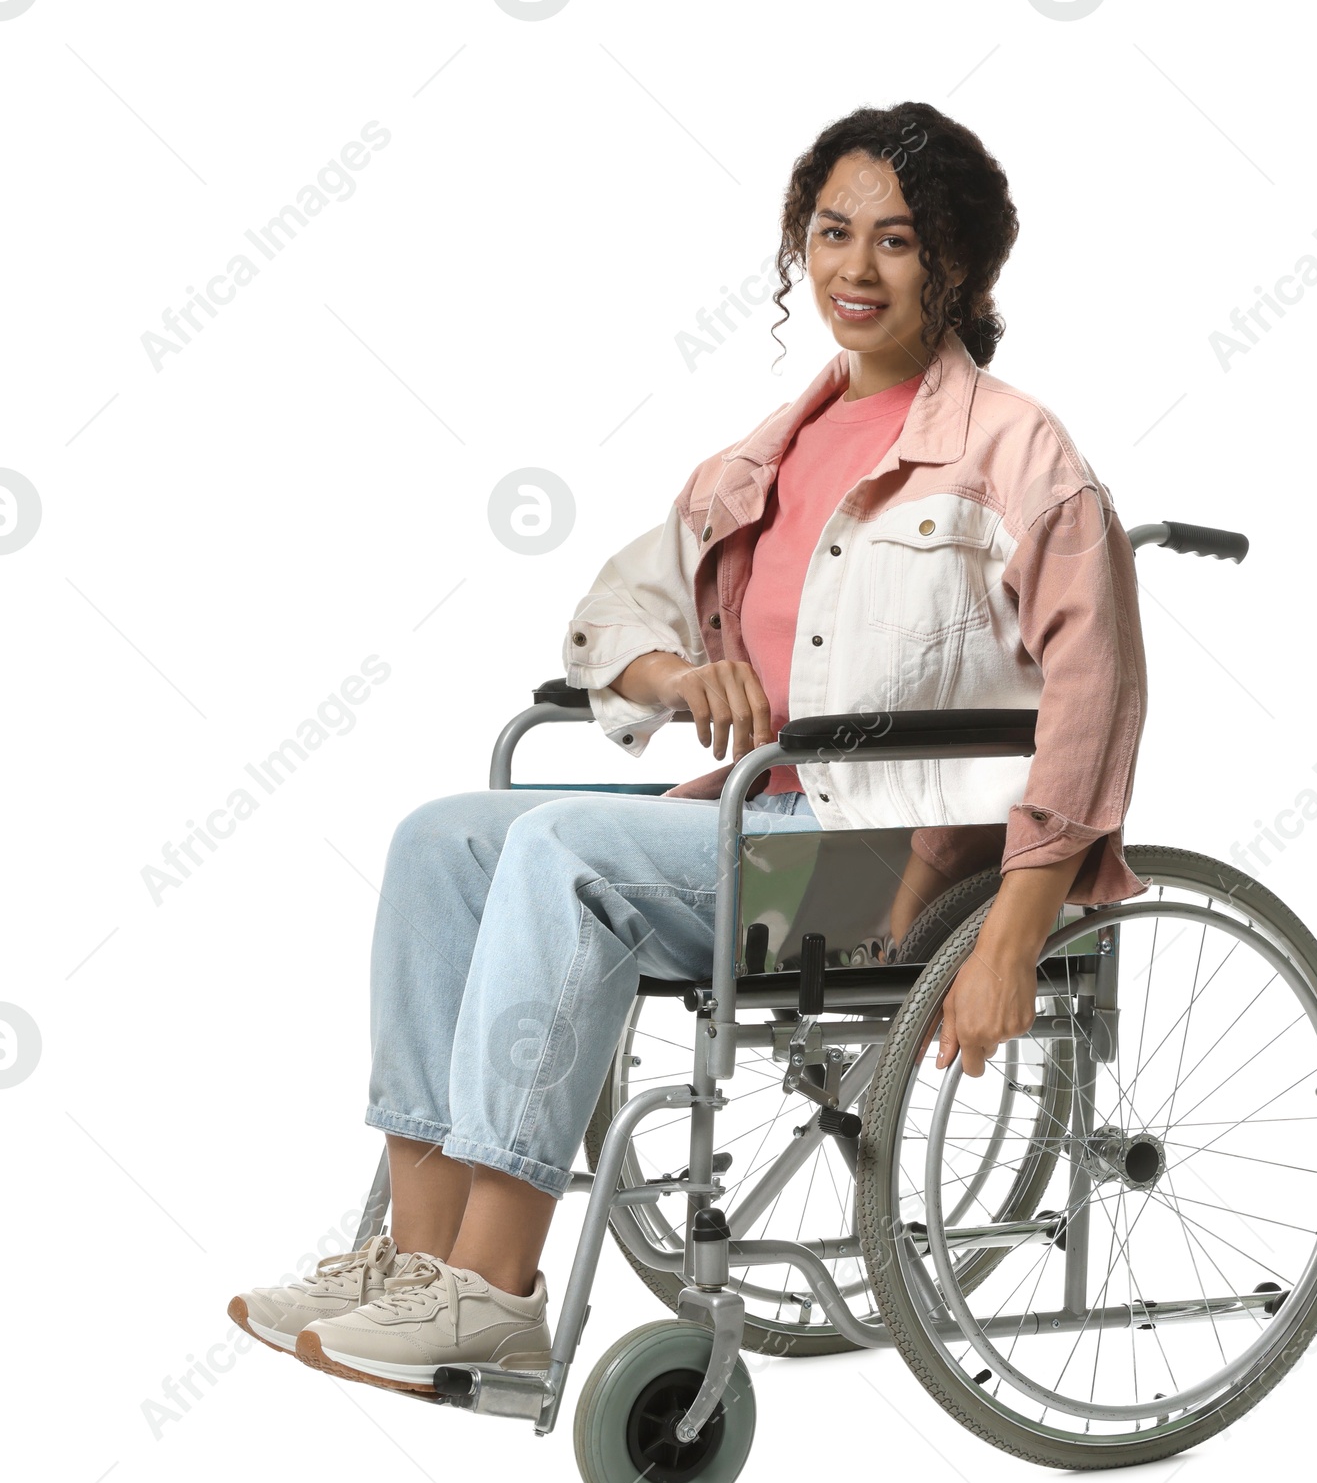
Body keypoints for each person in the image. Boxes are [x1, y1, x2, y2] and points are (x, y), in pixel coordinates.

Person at [227, 100, 1148, 1400]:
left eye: (896, 241)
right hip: (758, 827)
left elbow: (1095, 699)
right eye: (831, 233)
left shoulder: (1018, 452)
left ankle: (494, 1291)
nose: (854, 269)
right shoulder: (766, 453)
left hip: (900, 860)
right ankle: (412, 1258)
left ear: (957, 265)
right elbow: (618, 610)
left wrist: (1011, 935)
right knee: (443, 835)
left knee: (561, 847)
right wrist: (679, 674)